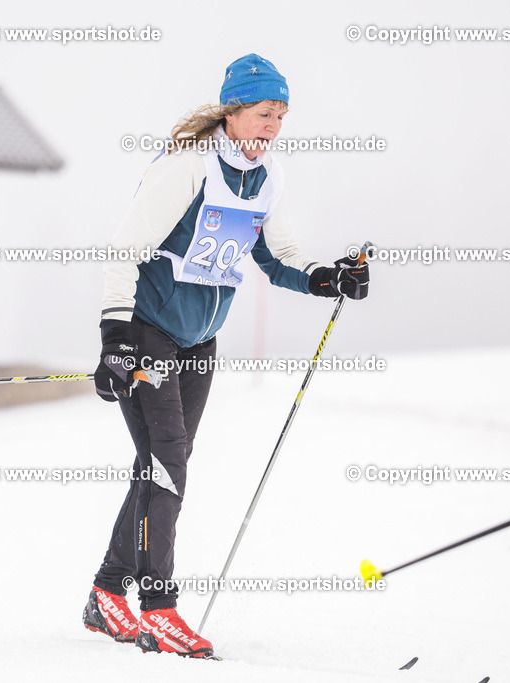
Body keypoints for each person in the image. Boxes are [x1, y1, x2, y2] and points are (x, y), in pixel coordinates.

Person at [81, 53, 369, 659]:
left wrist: (326, 278)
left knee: (164, 462)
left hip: (199, 341)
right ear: (232, 112)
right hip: (150, 332)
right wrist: (115, 339)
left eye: (282, 116)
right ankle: (158, 609)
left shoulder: (269, 178)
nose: (273, 126)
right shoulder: (189, 166)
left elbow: (276, 257)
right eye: (264, 113)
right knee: (167, 464)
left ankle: (108, 593)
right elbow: (125, 247)